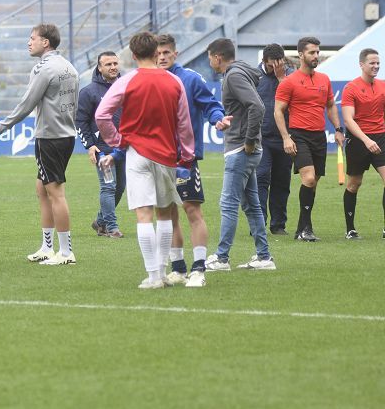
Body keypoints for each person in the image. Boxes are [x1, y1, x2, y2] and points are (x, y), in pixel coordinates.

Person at [95, 32, 196, 289]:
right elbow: (184, 123)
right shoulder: (174, 82)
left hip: (137, 153)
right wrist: (186, 154)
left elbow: (102, 114)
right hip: (165, 154)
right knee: (164, 214)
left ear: (132, 55)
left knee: (144, 215)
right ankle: (162, 273)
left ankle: (152, 276)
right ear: (155, 53)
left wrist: (117, 141)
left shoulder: (127, 81)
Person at [0, 24, 80, 266]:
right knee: (43, 189)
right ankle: (47, 247)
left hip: (50, 137)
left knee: (55, 193)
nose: (29, 43)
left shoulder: (44, 68)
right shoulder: (68, 66)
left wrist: (0, 127)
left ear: (46, 42)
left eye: (32, 39)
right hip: (66, 135)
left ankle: (66, 252)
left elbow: (26, 104)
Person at [155, 34, 223, 285]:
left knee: (192, 210)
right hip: (158, 158)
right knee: (167, 213)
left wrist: (218, 119)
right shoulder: (151, 80)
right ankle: (179, 268)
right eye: (158, 53)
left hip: (184, 158)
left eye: (166, 53)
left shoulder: (191, 79)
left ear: (176, 53)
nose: (161, 57)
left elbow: (211, 105)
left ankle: (199, 270)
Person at [205, 38, 274, 271]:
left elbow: (257, 106)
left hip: (240, 150)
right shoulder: (242, 72)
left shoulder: (233, 76)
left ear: (217, 57)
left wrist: (250, 141)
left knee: (228, 204)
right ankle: (264, 257)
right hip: (243, 150)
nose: (209, 61)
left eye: (209, 57)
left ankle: (222, 258)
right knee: (252, 205)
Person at [274, 36, 345, 242]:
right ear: (301, 54)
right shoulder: (289, 82)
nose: (316, 56)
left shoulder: (324, 79)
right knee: (309, 178)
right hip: (299, 135)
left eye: (317, 52)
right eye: (312, 52)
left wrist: (339, 129)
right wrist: (286, 138)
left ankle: (302, 229)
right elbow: (278, 111)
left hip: (319, 136)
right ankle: (304, 229)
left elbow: (331, 105)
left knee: (313, 184)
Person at [76, 51, 124, 239]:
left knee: (120, 188)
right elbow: (80, 121)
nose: (113, 67)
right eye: (108, 64)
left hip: (122, 148)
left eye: (115, 63)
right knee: (108, 187)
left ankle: (100, 221)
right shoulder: (88, 92)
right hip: (102, 149)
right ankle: (111, 227)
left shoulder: (124, 87)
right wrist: (89, 145)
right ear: (99, 67)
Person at [340, 48, 385, 239]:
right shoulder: (351, 88)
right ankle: (350, 229)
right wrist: (366, 140)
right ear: (361, 65)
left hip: (381, 138)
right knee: (354, 184)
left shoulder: (383, 86)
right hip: (358, 140)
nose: (376, 66)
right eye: (372, 63)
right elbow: (349, 120)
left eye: (378, 63)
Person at [256, 44, 293, 235]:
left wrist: (281, 79)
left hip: (285, 137)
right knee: (261, 178)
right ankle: (259, 224)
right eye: (272, 66)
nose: (276, 69)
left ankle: (278, 225)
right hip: (261, 137)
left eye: (280, 64)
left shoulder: (290, 76)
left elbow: (295, 102)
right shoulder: (253, 76)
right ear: (264, 62)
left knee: (281, 181)